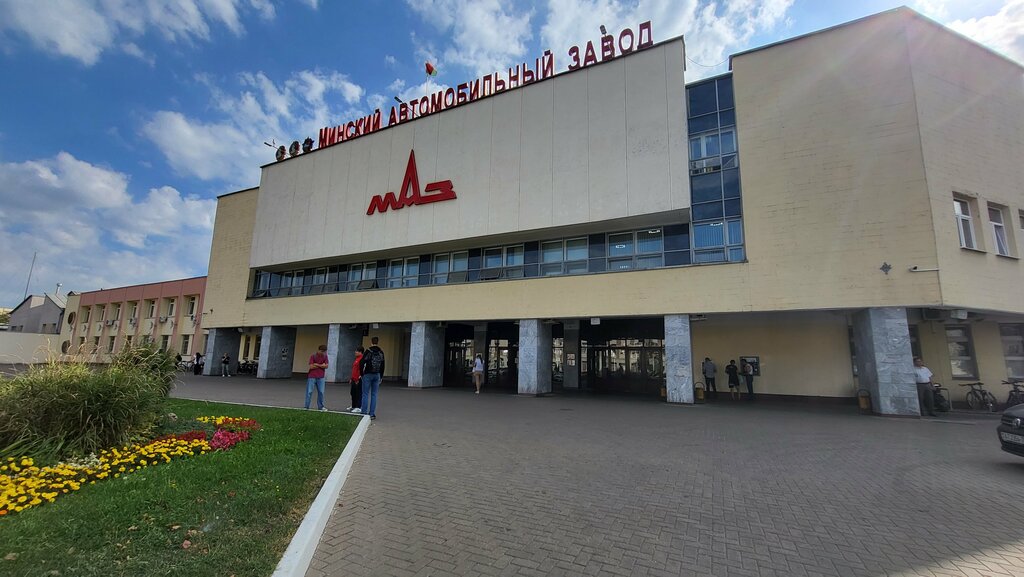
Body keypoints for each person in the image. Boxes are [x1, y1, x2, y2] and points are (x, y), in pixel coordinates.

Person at [359, 337, 385, 420]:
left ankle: (364, 412)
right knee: (374, 394)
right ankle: (372, 414)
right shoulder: (381, 352)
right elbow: (383, 365)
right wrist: (381, 376)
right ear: (378, 342)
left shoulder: (368, 351)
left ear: (371, 342)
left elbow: (361, 363)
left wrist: (361, 374)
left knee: (365, 394)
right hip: (377, 374)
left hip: (368, 374)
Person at [306, 344, 329, 411]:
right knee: (309, 392)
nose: (323, 353)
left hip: (321, 377)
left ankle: (321, 406)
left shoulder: (325, 356)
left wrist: (316, 364)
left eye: (324, 351)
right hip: (312, 376)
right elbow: (311, 367)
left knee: (321, 392)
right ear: (319, 350)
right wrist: (322, 365)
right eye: (322, 351)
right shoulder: (313, 356)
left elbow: (326, 366)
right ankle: (306, 406)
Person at [347, 346, 364, 413]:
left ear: (360, 352)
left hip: (358, 379)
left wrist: (358, 378)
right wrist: (352, 378)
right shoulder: (356, 359)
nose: (355, 352)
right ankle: (353, 405)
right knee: (353, 392)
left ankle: (358, 407)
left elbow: (360, 370)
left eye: (357, 351)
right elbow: (354, 370)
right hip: (354, 378)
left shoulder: (361, 359)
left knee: (358, 393)